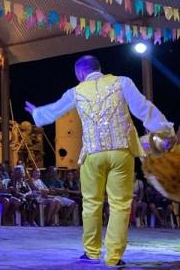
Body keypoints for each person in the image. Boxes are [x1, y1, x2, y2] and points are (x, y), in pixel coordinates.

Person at [25, 55, 174, 266]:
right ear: (99, 68)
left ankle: (91, 252)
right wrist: (164, 128)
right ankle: (114, 257)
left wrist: (37, 113)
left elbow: (54, 110)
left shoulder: (76, 91)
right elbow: (142, 107)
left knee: (91, 204)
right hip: (121, 151)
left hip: (93, 154)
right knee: (120, 205)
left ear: (80, 73)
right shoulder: (122, 82)